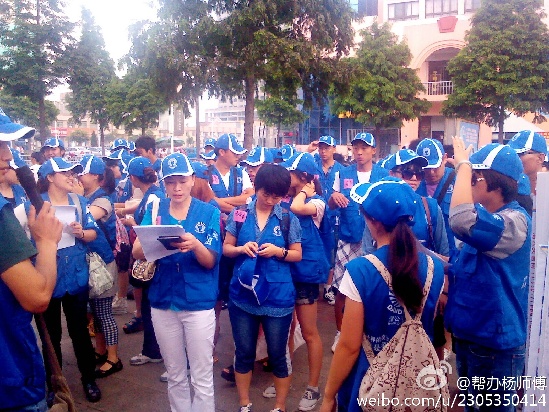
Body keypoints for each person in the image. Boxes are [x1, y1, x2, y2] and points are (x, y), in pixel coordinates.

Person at [319, 178, 444, 412]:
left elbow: (348, 347)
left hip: (369, 383)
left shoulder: (360, 270)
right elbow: (432, 324)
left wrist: (328, 395)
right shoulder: (434, 268)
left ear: (373, 222)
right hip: (416, 384)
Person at [445, 140, 531, 411]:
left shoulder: (514, 222)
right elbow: (461, 266)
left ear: (491, 182)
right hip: (472, 338)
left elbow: (460, 220)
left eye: (472, 177)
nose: (466, 184)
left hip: (494, 347)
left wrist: (462, 166)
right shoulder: (488, 220)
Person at [133, 153, 221, 411]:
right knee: (175, 373)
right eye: (171, 182)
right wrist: (158, 242)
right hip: (163, 300)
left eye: (182, 181)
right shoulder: (156, 209)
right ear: (164, 183)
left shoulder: (209, 211)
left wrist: (196, 245)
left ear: (192, 179)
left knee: (201, 375)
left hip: (198, 301)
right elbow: (137, 250)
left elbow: (210, 260)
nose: (177, 188)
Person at [15, 157, 102, 402]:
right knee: (50, 336)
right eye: (64, 172)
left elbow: (94, 232)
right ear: (50, 177)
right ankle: (55, 384)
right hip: (47, 278)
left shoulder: (79, 202)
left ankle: (88, 378)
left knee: (80, 331)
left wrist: (81, 232)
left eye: (72, 172)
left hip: (76, 276)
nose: (71, 176)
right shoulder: (32, 205)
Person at [223, 163, 302, 412]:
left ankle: (280, 406)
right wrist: (240, 249)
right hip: (243, 294)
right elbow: (226, 248)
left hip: (277, 297)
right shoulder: (240, 214)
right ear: (256, 188)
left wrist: (279, 251)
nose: (269, 200)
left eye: (276, 197)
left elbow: (297, 254)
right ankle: (244, 403)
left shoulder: (288, 218)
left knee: (278, 354)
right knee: (244, 351)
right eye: (266, 194)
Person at [0, 112, 63, 412]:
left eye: (7, 145)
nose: (7, 156)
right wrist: (47, 242)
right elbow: (37, 297)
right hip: (11, 380)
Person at [328, 132, 388, 353]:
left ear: (373, 150)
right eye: (356, 148)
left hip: (375, 240)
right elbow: (330, 204)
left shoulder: (383, 175)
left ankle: (371, 334)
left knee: (373, 289)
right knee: (342, 289)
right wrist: (333, 198)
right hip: (348, 238)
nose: (359, 152)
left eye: (364, 148)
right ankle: (340, 332)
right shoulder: (343, 173)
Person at [278, 152, 329, 411]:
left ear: (304, 177)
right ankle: (282, 379)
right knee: (285, 330)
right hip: (286, 271)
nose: (286, 177)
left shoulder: (317, 202)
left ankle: (313, 387)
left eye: (291, 173)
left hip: (306, 275)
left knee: (309, 332)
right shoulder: (287, 198)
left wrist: (306, 192)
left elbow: (298, 208)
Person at [78, 155, 123, 378]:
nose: (78, 176)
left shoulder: (102, 200)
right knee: (94, 312)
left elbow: (84, 218)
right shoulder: (87, 197)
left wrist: (73, 196)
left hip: (103, 263)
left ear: (95, 176)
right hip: (91, 263)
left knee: (104, 313)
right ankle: (101, 350)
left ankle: (113, 358)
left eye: (83, 173)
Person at [308, 135, 345, 305]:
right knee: (316, 248)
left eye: (327, 148)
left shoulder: (341, 170)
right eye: (321, 148)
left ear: (334, 149)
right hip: (315, 214)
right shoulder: (313, 166)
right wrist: (308, 149)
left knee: (332, 250)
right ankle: (315, 283)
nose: (323, 151)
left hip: (334, 217)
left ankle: (328, 287)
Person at [415, 138, 457, 257]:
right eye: (427, 169)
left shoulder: (458, 181)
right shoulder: (413, 183)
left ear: (444, 158)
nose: (431, 172)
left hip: (453, 254)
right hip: (422, 256)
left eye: (436, 167)